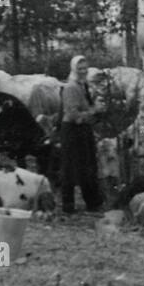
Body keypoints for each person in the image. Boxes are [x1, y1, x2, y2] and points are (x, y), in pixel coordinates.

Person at [60, 55, 104, 214]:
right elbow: (73, 115)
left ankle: (93, 203)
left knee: (89, 166)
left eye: (85, 68)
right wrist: (94, 111)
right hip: (72, 130)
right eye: (80, 68)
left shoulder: (83, 85)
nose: (83, 71)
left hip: (84, 129)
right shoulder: (71, 87)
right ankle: (69, 205)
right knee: (71, 168)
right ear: (73, 69)